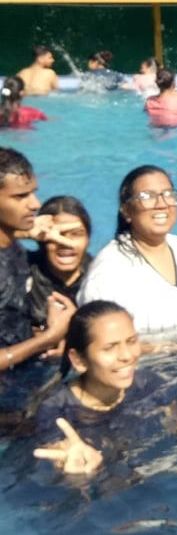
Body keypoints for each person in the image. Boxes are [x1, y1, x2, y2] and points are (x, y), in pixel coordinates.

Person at [33, 301, 177, 475]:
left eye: (131, 341)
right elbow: (59, 462)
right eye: (109, 348)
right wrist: (82, 472)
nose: (127, 356)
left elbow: (176, 435)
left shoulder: (149, 384)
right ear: (79, 360)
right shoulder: (56, 413)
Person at [77, 165, 177, 335]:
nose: (162, 204)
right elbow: (97, 342)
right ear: (127, 211)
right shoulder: (107, 274)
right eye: (147, 196)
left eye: (169, 194)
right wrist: (169, 348)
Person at [0, 148, 78, 373]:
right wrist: (47, 338)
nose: (35, 204)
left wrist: (48, 335)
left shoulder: (11, 244)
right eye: (20, 196)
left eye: (32, 192)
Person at [27, 196, 92, 329]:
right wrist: (24, 232)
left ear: (88, 239)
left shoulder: (102, 276)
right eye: (57, 234)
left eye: (76, 234)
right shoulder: (19, 270)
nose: (65, 243)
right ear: (41, 239)